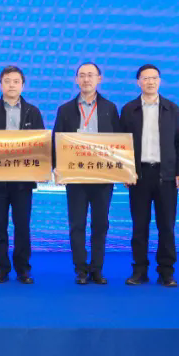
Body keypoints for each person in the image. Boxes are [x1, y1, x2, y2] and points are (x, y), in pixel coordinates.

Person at [52, 62, 124, 285]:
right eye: (82, 75)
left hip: (103, 177)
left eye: (91, 75)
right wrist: (56, 167)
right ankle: (81, 269)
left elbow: (120, 142)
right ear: (76, 80)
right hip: (75, 177)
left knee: (100, 225)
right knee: (77, 225)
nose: (86, 79)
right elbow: (56, 140)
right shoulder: (65, 109)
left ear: (99, 79)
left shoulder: (110, 108)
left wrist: (124, 170)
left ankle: (97, 269)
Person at [120, 64, 179, 288]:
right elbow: (121, 144)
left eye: (154, 78)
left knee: (166, 226)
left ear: (159, 81)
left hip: (166, 175)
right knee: (139, 226)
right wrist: (125, 171)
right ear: (138, 82)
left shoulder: (172, 109)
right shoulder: (129, 109)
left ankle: (166, 272)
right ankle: (139, 271)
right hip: (138, 176)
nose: (150, 82)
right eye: (146, 78)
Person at [0, 65, 45, 284]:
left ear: (22, 85)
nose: (11, 85)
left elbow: (41, 145)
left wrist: (41, 170)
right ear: (0, 84)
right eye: (7, 81)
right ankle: (2, 269)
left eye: (16, 81)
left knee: (22, 226)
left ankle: (23, 269)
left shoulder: (33, 111)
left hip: (23, 181)